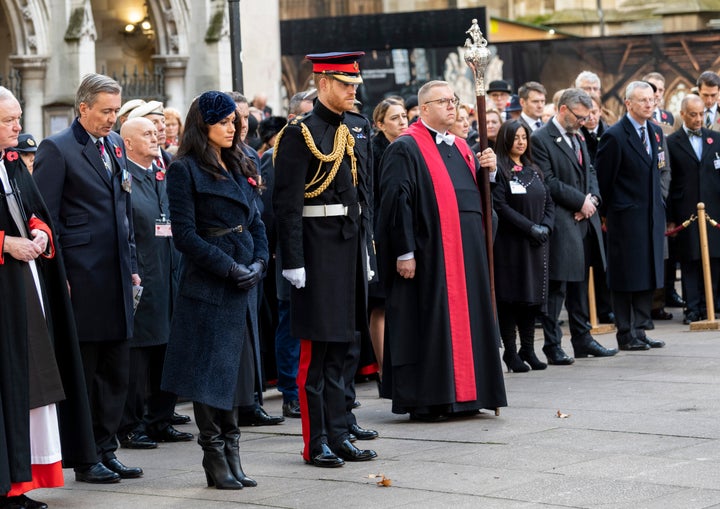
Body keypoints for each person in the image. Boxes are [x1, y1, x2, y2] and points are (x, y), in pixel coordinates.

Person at [33, 73, 143, 484]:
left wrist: (133, 266)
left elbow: (124, 211)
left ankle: (107, 446)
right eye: (105, 111)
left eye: (116, 110)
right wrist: (56, 275)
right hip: (81, 278)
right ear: (83, 108)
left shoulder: (114, 145)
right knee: (86, 370)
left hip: (116, 276)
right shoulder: (57, 149)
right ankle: (84, 455)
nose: (113, 118)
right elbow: (47, 219)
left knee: (116, 370)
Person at [377, 79, 507, 421]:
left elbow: (477, 199)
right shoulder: (406, 147)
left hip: (468, 255)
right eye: (443, 101)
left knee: (472, 322)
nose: (452, 106)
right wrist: (404, 251)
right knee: (432, 325)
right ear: (423, 109)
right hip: (431, 254)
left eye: (454, 100)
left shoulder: (463, 147)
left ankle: (471, 394)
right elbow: (395, 202)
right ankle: (432, 399)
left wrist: (489, 174)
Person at [273, 51, 377, 467]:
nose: (353, 91)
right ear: (323, 83)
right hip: (315, 251)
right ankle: (316, 441)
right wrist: (293, 260)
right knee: (316, 354)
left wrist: (364, 252)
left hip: (346, 247)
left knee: (344, 348)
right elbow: (287, 204)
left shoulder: (347, 131)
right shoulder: (299, 133)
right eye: (345, 84)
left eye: (355, 85)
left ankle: (339, 432)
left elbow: (357, 197)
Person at [160, 91, 267, 489]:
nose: (233, 127)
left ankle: (234, 453)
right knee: (209, 374)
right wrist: (229, 266)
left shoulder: (241, 162)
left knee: (235, 374)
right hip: (210, 280)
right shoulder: (183, 169)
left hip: (244, 276)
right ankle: (214, 456)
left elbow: (255, 221)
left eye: (234, 122)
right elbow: (185, 236)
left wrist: (258, 262)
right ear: (202, 125)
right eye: (223, 122)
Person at [0, 86, 97, 509]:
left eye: (18, 117)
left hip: (24, 288)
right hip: (6, 290)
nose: (18, 127)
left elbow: (30, 206)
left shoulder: (12, 163)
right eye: (8, 121)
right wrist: (5, 244)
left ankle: (22, 481)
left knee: (32, 381)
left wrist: (38, 229)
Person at [115, 117, 192, 451]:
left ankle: (162, 419)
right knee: (140, 355)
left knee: (169, 350)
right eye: (146, 134)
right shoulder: (122, 176)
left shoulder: (161, 171)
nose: (155, 136)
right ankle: (131, 425)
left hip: (170, 271)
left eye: (155, 132)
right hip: (143, 273)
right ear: (127, 143)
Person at [532, 88, 618, 365]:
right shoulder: (541, 139)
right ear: (564, 110)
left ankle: (582, 339)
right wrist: (580, 201)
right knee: (558, 287)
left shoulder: (577, 135)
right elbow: (548, 180)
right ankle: (552, 344)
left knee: (581, 284)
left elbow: (590, 171)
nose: (585, 121)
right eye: (580, 117)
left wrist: (592, 199)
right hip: (562, 220)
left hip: (584, 219)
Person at [595, 81, 667, 351]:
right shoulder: (615, 136)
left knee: (648, 273)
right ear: (628, 103)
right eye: (643, 100)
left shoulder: (655, 132)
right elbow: (605, 179)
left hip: (651, 215)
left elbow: (658, 171)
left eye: (652, 100)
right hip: (625, 218)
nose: (649, 104)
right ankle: (625, 332)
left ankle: (641, 327)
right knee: (627, 276)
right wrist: (607, 213)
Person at [259, 91, 315, 419]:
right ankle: (291, 392)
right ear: (293, 119)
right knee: (290, 321)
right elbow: (272, 210)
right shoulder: (275, 155)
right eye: (307, 117)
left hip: (318, 247)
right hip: (288, 250)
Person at [492, 120, 554, 372]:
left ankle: (527, 348)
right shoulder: (499, 169)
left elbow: (549, 201)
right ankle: (510, 350)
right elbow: (500, 205)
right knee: (511, 299)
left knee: (531, 298)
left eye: (524, 137)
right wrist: (529, 227)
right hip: (511, 245)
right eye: (515, 137)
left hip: (536, 244)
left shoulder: (534, 169)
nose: (520, 142)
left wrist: (546, 226)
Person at [667, 94, 720, 324]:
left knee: (716, 259)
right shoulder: (671, 143)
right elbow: (667, 181)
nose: (698, 119)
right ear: (683, 115)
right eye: (693, 115)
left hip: (714, 211)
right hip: (685, 213)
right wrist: (670, 218)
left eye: (700, 114)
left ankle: (714, 304)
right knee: (690, 260)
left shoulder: (716, 139)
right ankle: (693, 308)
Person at [369, 97, 408, 386]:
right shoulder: (373, 150)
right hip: (380, 231)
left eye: (404, 115)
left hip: (403, 231)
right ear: (380, 124)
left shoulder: (409, 146)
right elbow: (370, 196)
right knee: (380, 303)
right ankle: (383, 368)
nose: (402, 121)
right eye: (395, 118)